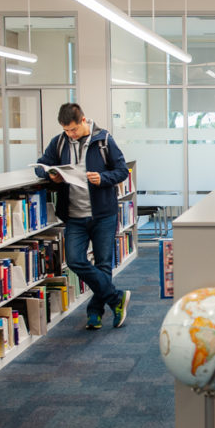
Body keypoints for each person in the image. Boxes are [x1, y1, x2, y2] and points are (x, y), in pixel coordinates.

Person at [36, 103, 131, 330]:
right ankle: (116, 298)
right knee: (75, 260)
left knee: (103, 265)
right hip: (74, 216)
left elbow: (121, 171)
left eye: (73, 130)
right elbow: (40, 166)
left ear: (83, 120)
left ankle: (95, 313)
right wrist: (51, 175)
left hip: (103, 215)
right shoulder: (59, 142)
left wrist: (102, 178)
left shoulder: (104, 140)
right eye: (67, 130)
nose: (71, 134)